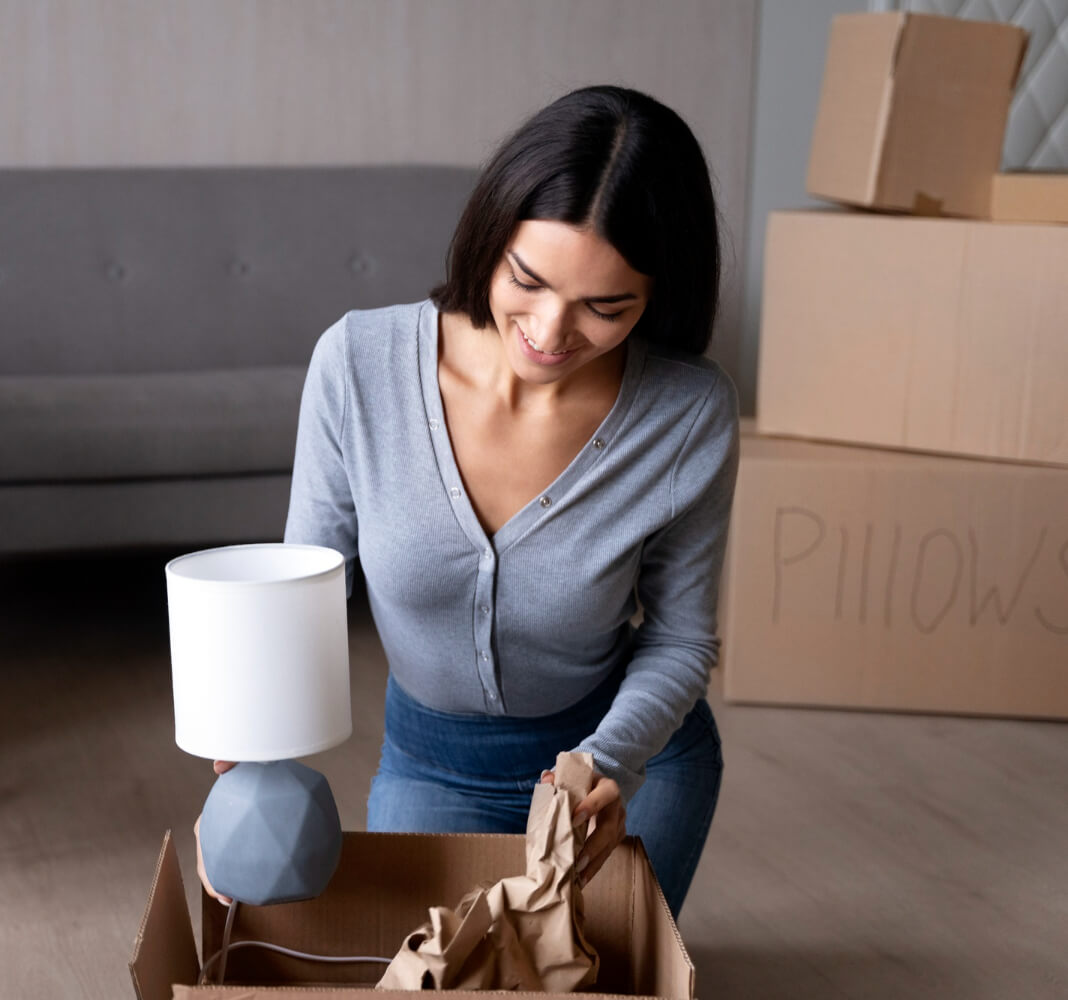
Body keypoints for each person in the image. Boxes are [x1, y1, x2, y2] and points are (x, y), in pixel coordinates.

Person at [200, 85, 738, 919]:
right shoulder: (358, 364)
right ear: (491, 235)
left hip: (618, 769)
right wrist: (248, 770)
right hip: (433, 765)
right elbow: (306, 586)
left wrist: (607, 763)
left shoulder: (687, 412)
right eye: (527, 279)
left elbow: (679, 639)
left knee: (592, 980)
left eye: (607, 307)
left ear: (657, 296)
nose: (552, 332)